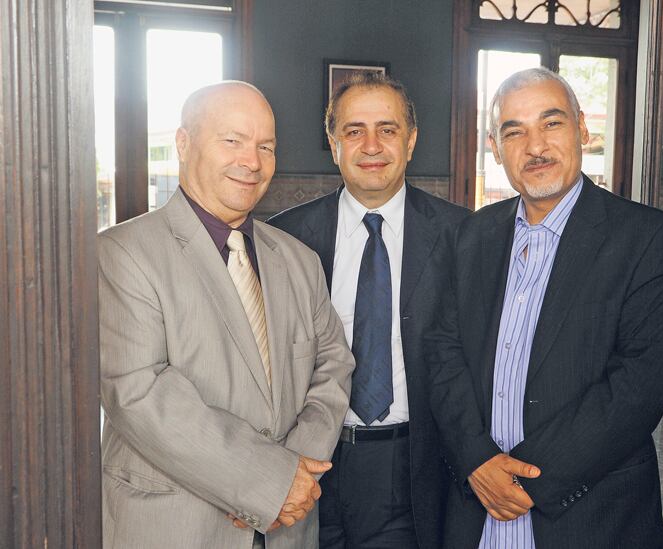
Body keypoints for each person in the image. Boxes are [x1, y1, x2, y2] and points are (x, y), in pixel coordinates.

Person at [428, 67, 663, 548]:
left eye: (551, 123)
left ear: (582, 128)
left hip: (590, 517)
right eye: (514, 132)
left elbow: (641, 382)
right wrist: (476, 460)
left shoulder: (645, 237)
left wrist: (525, 480)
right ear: (494, 146)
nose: (536, 146)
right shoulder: (470, 236)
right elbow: (443, 353)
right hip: (476, 511)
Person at [98, 81, 355, 549]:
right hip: (176, 529)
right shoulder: (123, 253)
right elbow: (139, 394)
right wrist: (270, 481)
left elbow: (333, 367)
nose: (251, 161)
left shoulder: (300, 260)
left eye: (265, 147)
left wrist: (294, 477)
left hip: (290, 526)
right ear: (184, 143)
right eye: (232, 140)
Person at [269, 72, 469, 548]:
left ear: (411, 140)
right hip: (303, 463)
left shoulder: (462, 235)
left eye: (388, 129)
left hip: (411, 466)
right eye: (354, 130)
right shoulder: (283, 238)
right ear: (333, 143)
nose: (372, 145)